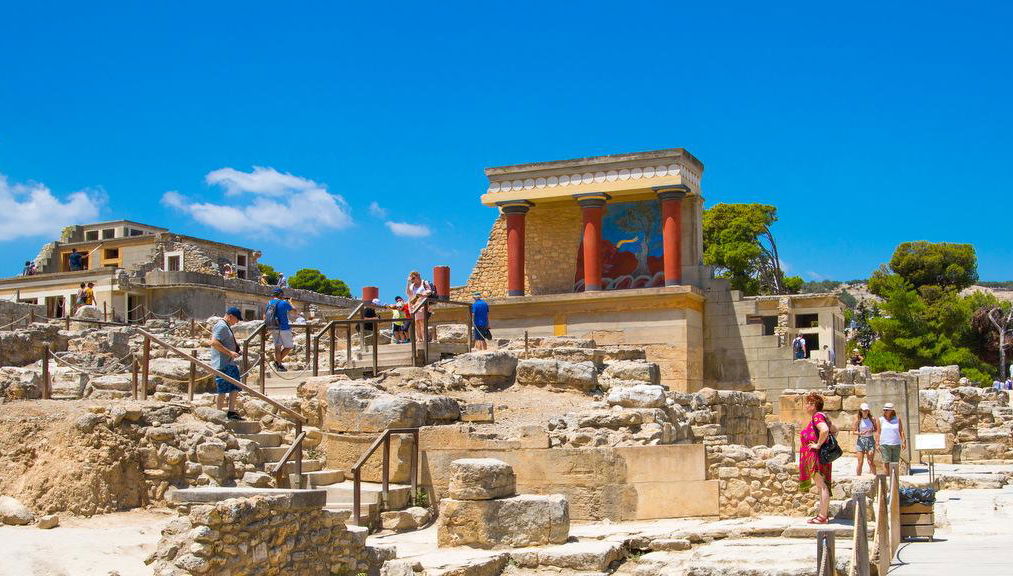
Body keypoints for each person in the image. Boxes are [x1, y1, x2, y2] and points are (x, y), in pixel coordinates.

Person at [799, 391, 835, 524]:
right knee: (822, 485)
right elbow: (834, 429)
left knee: (822, 486)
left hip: (816, 457)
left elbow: (825, 430)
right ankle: (822, 514)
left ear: (813, 405)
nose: (806, 406)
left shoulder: (817, 417)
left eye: (808, 403)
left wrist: (818, 445)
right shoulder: (821, 416)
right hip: (819, 457)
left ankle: (822, 516)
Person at [210, 307, 244, 420]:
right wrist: (229, 352)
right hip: (222, 363)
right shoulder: (221, 326)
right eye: (237, 319)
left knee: (235, 386)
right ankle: (218, 414)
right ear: (230, 316)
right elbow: (214, 342)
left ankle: (231, 411)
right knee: (223, 389)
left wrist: (236, 350)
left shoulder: (226, 326)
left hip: (230, 363)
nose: (237, 321)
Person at [266, 288, 294, 371]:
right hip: (284, 327)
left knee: (277, 347)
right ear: (281, 294)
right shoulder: (283, 303)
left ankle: (279, 364)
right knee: (288, 346)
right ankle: (277, 363)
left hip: (274, 327)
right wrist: (290, 302)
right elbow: (294, 311)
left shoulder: (269, 303)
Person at [406, 271, 436, 344]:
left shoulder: (424, 283)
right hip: (414, 306)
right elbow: (409, 294)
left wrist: (422, 294)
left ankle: (424, 338)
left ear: (418, 276)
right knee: (416, 323)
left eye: (413, 278)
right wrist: (408, 282)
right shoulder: (412, 285)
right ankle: (419, 339)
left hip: (423, 304)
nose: (412, 279)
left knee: (422, 321)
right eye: (411, 278)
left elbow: (430, 291)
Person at [877, 402, 905, 473]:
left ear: (892, 411)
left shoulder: (897, 419)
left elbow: (901, 431)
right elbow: (878, 432)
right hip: (884, 444)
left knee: (895, 464)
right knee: (886, 463)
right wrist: (877, 443)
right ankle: (887, 480)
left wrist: (904, 441)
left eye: (887, 410)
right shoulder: (880, 420)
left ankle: (894, 482)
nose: (885, 411)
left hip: (896, 444)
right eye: (884, 410)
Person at [853, 403, 878, 476]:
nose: (865, 412)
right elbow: (854, 431)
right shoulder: (858, 419)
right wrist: (860, 433)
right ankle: (858, 478)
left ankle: (875, 476)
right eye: (864, 410)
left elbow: (876, 429)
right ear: (860, 411)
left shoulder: (872, 419)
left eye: (867, 410)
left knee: (870, 461)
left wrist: (871, 430)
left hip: (870, 440)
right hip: (861, 440)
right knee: (860, 462)